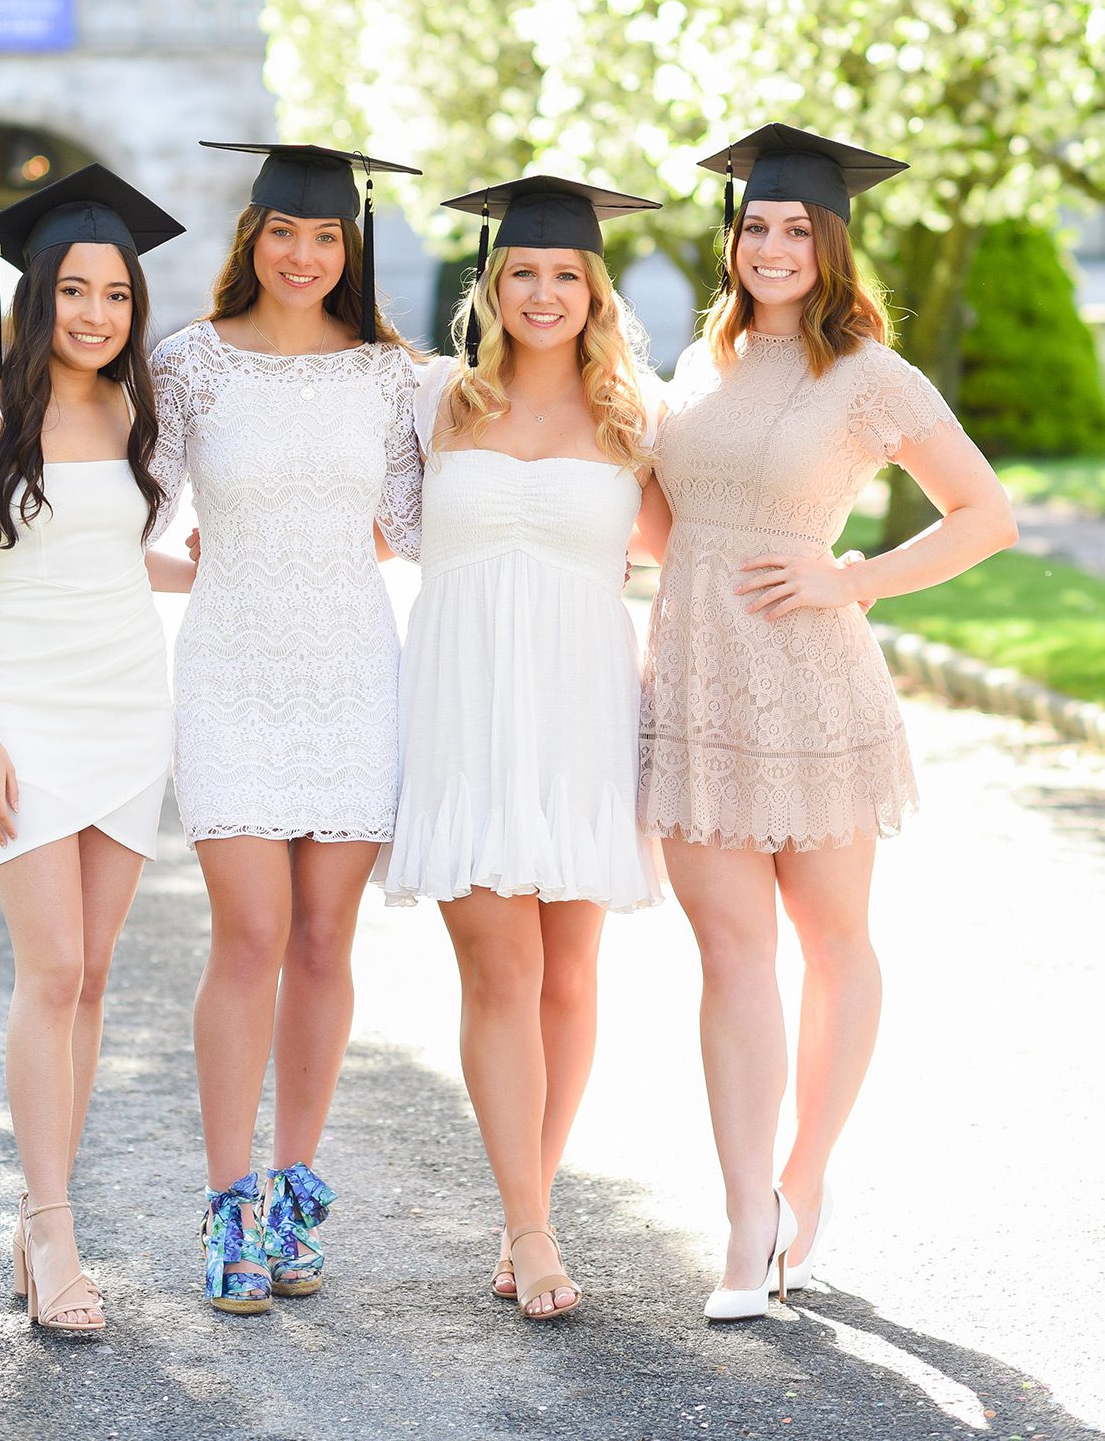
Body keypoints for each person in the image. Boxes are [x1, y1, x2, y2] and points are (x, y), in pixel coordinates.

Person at [637, 124, 1018, 1321]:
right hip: (694, 680)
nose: (773, 244)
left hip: (811, 681)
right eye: (757, 224)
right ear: (733, 237)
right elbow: (664, 521)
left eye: (798, 226)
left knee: (832, 937)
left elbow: (985, 515)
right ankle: (749, 1212)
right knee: (733, 952)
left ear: (833, 241)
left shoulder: (865, 373)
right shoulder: (694, 368)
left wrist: (850, 579)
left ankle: (805, 1173)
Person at [384, 176, 669, 1322]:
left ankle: (526, 1204)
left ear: (594, 289)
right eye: (523, 273)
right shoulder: (428, 402)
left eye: (566, 275)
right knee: (501, 970)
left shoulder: (634, 417)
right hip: (462, 711)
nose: (543, 292)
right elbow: (317, 508)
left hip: (582, 708)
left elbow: (698, 549)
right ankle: (534, 1229)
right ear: (491, 285)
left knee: (571, 975)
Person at [151, 141, 423, 1314]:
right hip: (231, 670)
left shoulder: (391, 373)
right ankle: (228, 1209)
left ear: (348, 247)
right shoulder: (189, 365)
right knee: (249, 934)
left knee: (324, 940)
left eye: (325, 238)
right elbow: (134, 509)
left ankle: (297, 1187)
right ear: (251, 236)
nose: (304, 255)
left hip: (354, 673)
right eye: (283, 232)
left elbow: (417, 521)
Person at [0, 167, 191, 1336]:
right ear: (37, 297)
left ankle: (48, 1206)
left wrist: (235, 571)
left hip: (130, 706)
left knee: (94, 978)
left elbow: (113, 553)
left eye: (118, 295)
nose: (96, 313)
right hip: (25, 713)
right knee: (51, 968)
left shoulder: (138, 414)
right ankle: (51, 1223)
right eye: (74, 290)